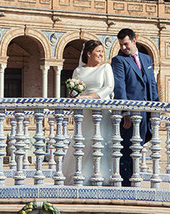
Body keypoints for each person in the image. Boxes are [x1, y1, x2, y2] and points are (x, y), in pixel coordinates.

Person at [61, 39, 114, 184]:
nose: (101, 54)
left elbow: (109, 88)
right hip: (84, 112)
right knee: (83, 140)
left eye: (102, 52)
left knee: (99, 139)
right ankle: (80, 173)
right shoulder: (78, 71)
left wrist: (88, 98)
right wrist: (73, 96)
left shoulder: (106, 68)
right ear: (89, 53)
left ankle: (102, 175)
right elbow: (75, 90)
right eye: (98, 51)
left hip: (100, 110)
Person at [111, 28, 158, 187]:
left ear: (134, 40)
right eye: (121, 45)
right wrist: (126, 113)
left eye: (126, 44)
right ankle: (126, 184)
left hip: (146, 112)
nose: (123, 48)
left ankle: (135, 179)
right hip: (131, 113)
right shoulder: (119, 60)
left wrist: (155, 108)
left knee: (138, 146)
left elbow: (152, 84)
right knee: (127, 148)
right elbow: (120, 87)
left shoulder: (146, 59)